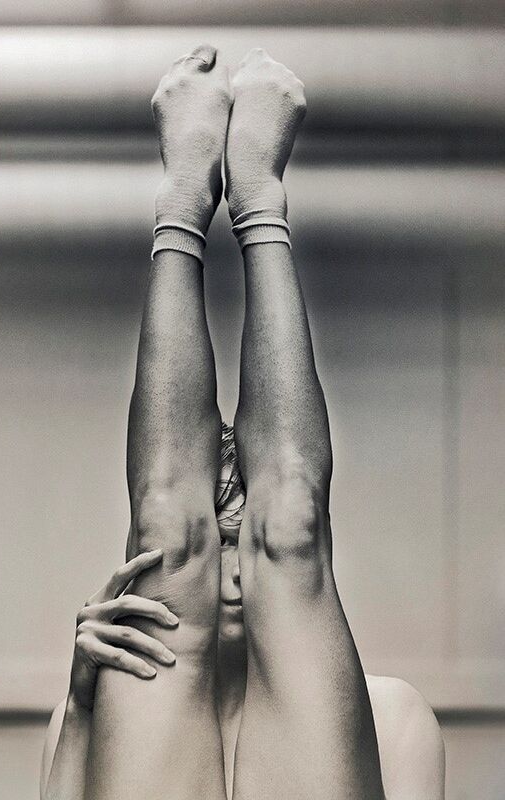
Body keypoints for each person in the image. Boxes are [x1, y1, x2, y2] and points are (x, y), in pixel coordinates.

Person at [41, 45, 445, 800]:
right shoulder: (95, 698)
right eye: (221, 536)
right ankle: (215, 198)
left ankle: (226, 196)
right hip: (152, 712)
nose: (228, 566)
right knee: (171, 542)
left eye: (238, 537)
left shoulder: (391, 712)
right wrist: (80, 707)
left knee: (283, 533)